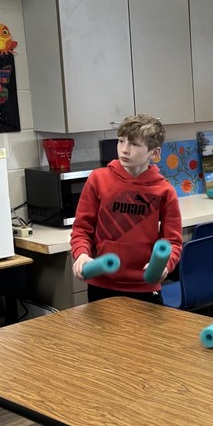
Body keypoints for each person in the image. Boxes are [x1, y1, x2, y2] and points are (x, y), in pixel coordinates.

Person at [71, 114, 182, 302]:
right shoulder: (98, 180)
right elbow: (82, 229)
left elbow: (172, 241)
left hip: (145, 286)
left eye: (134, 144)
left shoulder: (164, 191)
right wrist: (81, 254)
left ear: (154, 153)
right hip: (101, 284)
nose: (124, 150)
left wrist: (166, 265)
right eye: (121, 141)